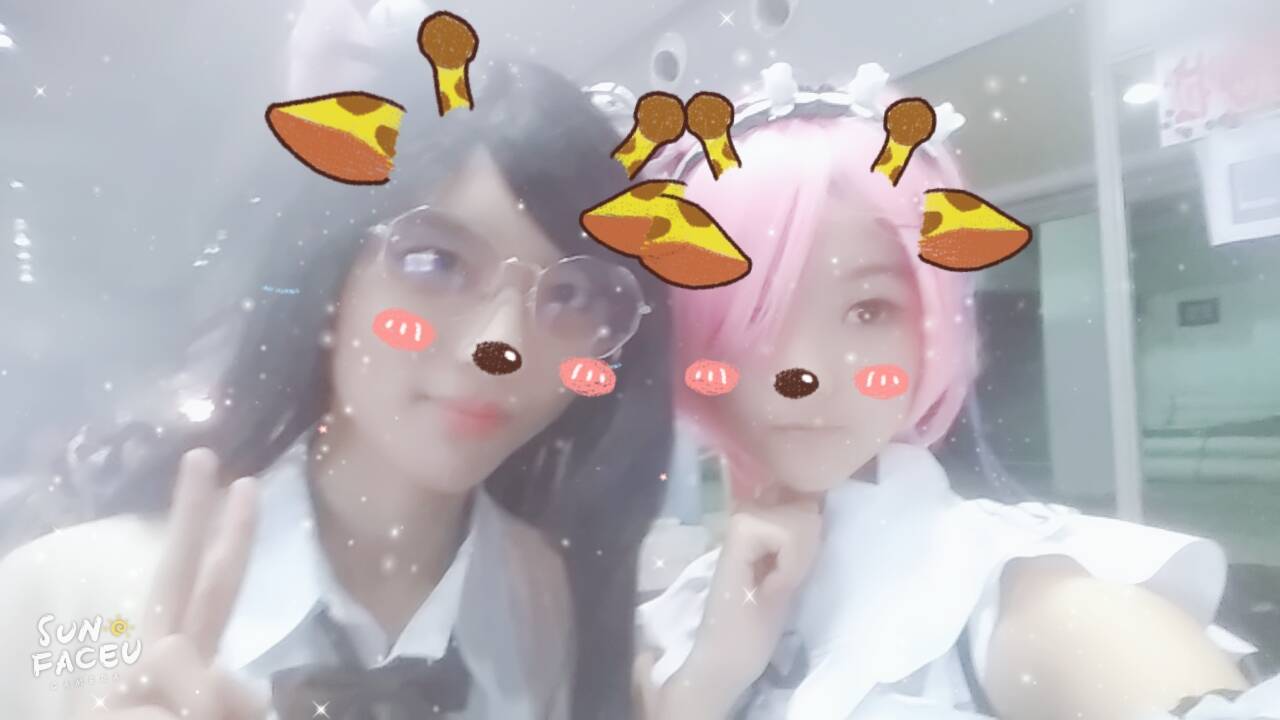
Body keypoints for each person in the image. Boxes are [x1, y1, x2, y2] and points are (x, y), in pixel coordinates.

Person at [0, 59, 673, 720]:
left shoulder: (548, 606)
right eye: (436, 262)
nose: (501, 348)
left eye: (572, 297)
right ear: (334, 273)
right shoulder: (63, 602)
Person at [632, 66, 1265, 720]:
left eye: (869, 309)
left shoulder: (1025, 602)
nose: (802, 373)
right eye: (756, 313)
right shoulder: (699, 604)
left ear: (931, 327)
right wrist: (709, 678)